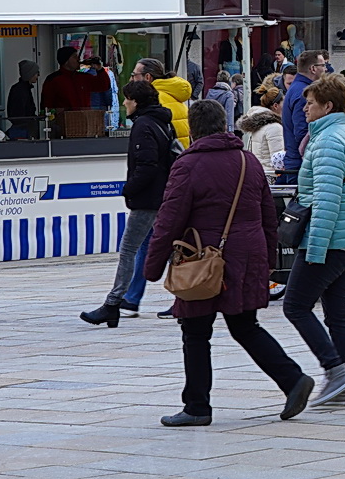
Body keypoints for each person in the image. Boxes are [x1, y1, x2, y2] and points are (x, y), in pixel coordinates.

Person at [145, 99, 310, 425]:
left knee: (195, 332)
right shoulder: (247, 161)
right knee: (245, 325)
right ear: (224, 125)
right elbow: (268, 216)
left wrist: (152, 266)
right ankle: (293, 380)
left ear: (192, 130)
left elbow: (169, 220)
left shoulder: (188, 166)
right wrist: (268, 260)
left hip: (204, 259)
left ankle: (197, 407)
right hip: (248, 255)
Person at [281, 73, 345, 409]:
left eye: (310, 104)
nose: (304, 109)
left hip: (331, 239)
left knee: (295, 306)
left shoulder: (330, 141)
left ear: (328, 106)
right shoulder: (344, 133)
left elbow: (327, 199)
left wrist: (314, 249)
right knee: (338, 313)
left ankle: (336, 372)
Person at [81, 81, 176, 327]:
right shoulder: (162, 120)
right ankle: (185, 295)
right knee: (168, 248)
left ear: (137, 101)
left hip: (147, 199)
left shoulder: (143, 125)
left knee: (129, 250)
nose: (124, 103)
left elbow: (147, 165)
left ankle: (113, 303)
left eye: (127, 99)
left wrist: (128, 189)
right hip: (163, 195)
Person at [280, 50, 329, 184]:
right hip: (301, 165)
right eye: (323, 65)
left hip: (297, 161)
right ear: (313, 68)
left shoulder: (297, 88)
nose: (326, 69)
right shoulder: (304, 93)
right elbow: (302, 133)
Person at [133, 57, 193, 147]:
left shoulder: (153, 100)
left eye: (134, 75)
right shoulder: (173, 94)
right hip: (182, 154)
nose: (131, 79)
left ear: (147, 77)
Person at [41, 46, 110, 113]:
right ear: (66, 61)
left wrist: (100, 69)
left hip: (84, 119)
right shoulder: (54, 79)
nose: (78, 59)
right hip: (63, 121)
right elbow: (46, 105)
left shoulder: (83, 77)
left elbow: (104, 86)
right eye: (75, 57)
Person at [237, 106, 285, 176]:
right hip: (272, 175)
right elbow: (278, 160)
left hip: (258, 174)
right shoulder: (275, 127)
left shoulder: (256, 128)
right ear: (275, 105)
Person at [6, 60, 41, 138]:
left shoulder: (20, 89)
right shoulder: (22, 90)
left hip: (23, 127)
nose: (38, 75)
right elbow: (20, 113)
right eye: (36, 73)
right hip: (24, 129)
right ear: (29, 74)